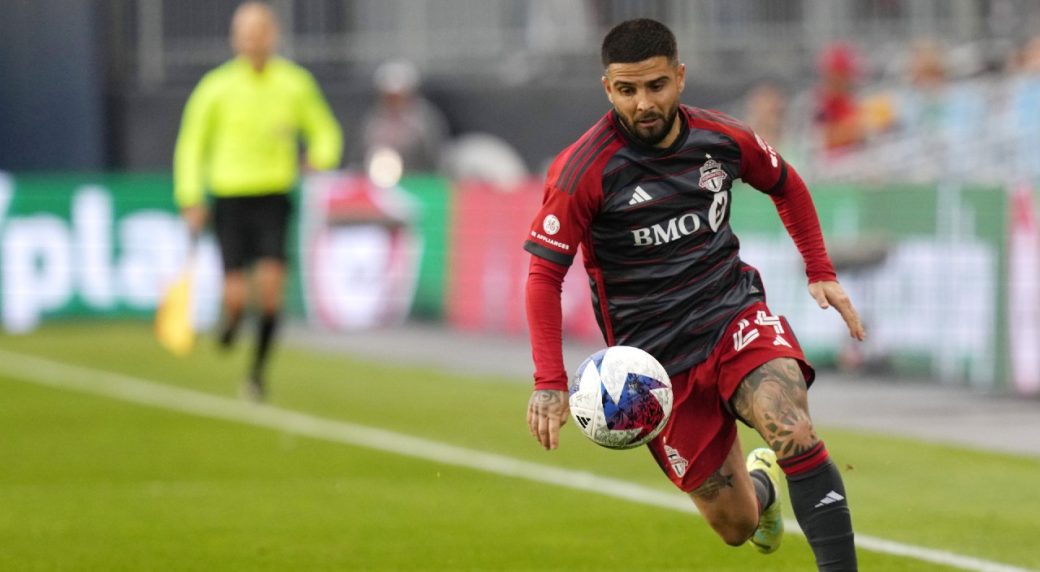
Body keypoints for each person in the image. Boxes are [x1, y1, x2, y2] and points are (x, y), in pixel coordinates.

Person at [523, 19, 864, 570]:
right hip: (654, 366)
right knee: (737, 526)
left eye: (656, 85)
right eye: (627, 90)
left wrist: (819, 268)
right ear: (608, 89)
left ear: (679, 78)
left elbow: (787, 183)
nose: (643, 103)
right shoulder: (583, 171)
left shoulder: (721, 139)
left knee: (792, 427)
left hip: (731, 315)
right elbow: (543, 276)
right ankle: (763, 491)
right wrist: (548, 383)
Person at [173, 1, 343, 401]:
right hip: (230, 197)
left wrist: (320, 157)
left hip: (273, 196)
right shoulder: (216, 87)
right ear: (235, 38)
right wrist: (190, 197)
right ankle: (230, 322)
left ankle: (256, 374)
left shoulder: (294, 83)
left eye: (258, 31)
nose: (251, 39)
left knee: (270, 291)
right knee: (235, 296)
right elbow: (191, 146)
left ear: (272, 35)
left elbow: (325, 130)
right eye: (243, 32)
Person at [359, 58, 450, 176]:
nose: (394, 101)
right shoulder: (373, 122)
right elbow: (362, 154)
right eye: (389, 97)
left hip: (419, 178)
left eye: (399, 96)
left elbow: (436, 153)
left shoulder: (424, 120)